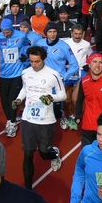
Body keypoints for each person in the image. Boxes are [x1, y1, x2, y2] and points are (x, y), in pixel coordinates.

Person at [12, 46, 66, 189]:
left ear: (44, 59)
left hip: (46, 121)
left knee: (43, 153)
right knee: (28, 154)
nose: (34, 65)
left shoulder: (53, 74)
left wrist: (51, 97)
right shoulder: (25, 72)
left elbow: (63, 95)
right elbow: (25, 89)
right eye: (31, 61)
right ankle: (28, 189)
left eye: (37, 61)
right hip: (28, 119)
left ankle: (53, 154)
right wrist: (18, 99)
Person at [0, 19, 28, 137]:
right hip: (4, 73)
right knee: (3, 99)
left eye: (8, 32)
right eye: (4, 32)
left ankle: (12, 122)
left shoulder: (21, 35)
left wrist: (24, 54)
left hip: (17, 73)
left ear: (12, 29)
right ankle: (10, 120)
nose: (6, 34)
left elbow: (27, 46)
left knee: (12, 98)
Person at [36, 23, 79, 130]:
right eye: (50, 32)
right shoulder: (39, 43)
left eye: (54, 31)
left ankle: (60, 115)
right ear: (46, 33)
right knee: (44, 104)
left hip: (57, 82)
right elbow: (33, 57)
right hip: (42, 80)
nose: (52, 34)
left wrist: (64, 75)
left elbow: (75, 65)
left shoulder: (64, 46)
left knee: (55, 106)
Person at [61, 24, 92, 130]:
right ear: (71, 33)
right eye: (76, 34)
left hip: (81, 72)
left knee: (75, 99)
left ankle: (74, 116)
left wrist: (88, 64)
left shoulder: (87, 44)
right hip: (68, 72)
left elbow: (91, 56)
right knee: (67, 99)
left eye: (80, 34)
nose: (78, 36)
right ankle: (70, 115)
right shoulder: (65, 43)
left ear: (83, 34)